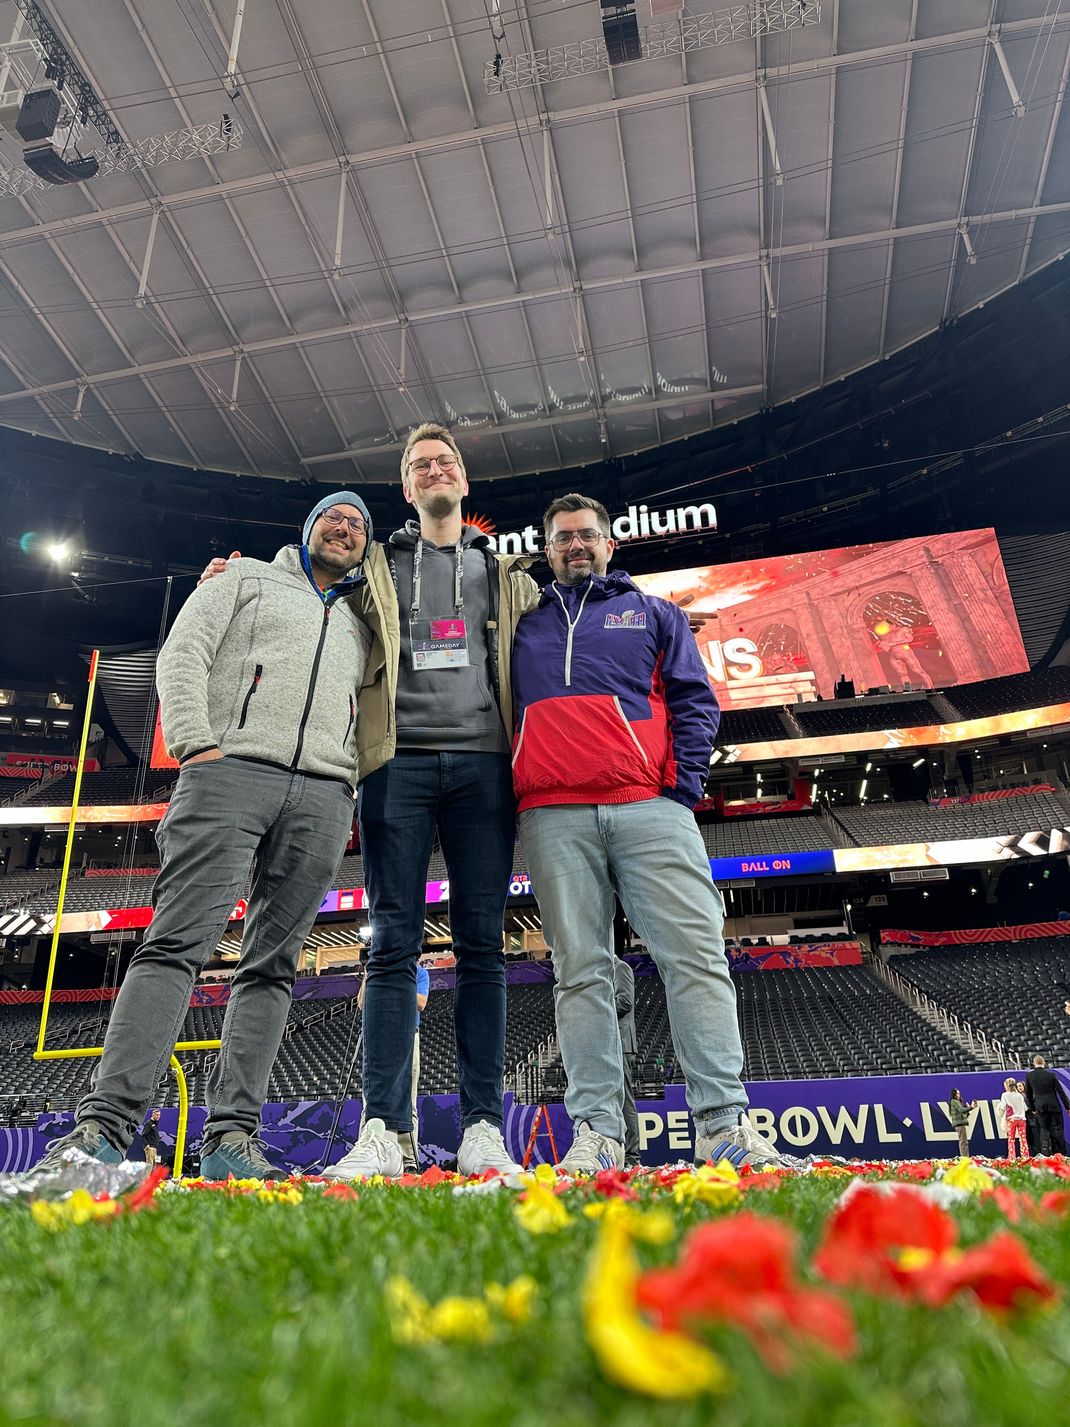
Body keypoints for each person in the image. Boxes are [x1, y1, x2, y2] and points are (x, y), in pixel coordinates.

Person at [199, 427, 540, 1179]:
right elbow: (307, 589)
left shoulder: (509, 572)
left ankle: (484, 1124)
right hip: (396, 766)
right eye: (421, 465)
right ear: (408, 486)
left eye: (445, 460)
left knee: (483, 948)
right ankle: (386, 1127)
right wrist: (233, 574)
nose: (434, 470)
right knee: (391, 946)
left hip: (486, 768)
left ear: (464, 480)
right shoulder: (378, 565)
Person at [40, 494, 379, 1181]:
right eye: (333, 516)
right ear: (308, 528)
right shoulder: (243, 577)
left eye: (359, 524)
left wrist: (346, 784)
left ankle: (231, 1141)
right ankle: (104, 1129)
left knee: (274, 966)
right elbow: (183, 652)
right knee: (174, 945)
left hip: (322, 794)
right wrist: (196, 744)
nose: (345, 527)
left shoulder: (366, 620)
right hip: (228, 774)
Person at [511, 493, 773, 1173]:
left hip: (649, 807)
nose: (576, 545)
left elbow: (694, 699)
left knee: (695, 955)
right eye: (563, 537)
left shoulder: (655, 613)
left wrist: (680, 790)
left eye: (588, 535)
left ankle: (723, 1125)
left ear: (610, 545)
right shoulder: (521, 620)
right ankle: (599, 1132)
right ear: (546, 550)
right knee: (579, 973)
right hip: (552, 813)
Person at [614, 952, 641, 1165]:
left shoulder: (620, 967)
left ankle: (632, 1155)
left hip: (621, 1043)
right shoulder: (598, 972)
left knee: (625, 1101)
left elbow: (624, 1001)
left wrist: (595, 1009)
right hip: (606, 1044)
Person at [1025, 1054, 1070, 1155]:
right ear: (1044, 1063)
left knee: (1044, 1129)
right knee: (1057, 1129)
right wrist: (1068, 1107)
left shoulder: (1030, 1076)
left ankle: (1045, 1153)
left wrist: (1033, 1108)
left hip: (1040, 1106)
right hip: (1054, 1105)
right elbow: (1061, 1092)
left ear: (1034, 1063)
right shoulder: (1051, 1075)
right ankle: (1060, 1153)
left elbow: (1028, 1094)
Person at [998, 1077, 1029, 1160]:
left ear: (1007, 1086)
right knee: (1023, 1138)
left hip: (1011, 1120)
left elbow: (1003, 1106)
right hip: (1021, 1119)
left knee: (1011, 1139)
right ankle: (1025, 1156)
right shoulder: (1019, 1095)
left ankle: (1012, 1156)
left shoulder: (1005, 1095)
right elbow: (1025, 1108)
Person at [945, 1087, 973, 1158]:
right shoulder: (954, 1101)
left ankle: (966, 1157)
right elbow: (961, 1110)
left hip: (961, 1124)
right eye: (958, 1093)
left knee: (964, 1142)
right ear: (954, 1094)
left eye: (959, 1093)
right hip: (959, 1125)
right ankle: (964, 1157)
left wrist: (969, 1108)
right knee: (963, 1142)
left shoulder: (958, 1101)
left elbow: (963, 1113)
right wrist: (971, 1107)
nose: (959, 1094)